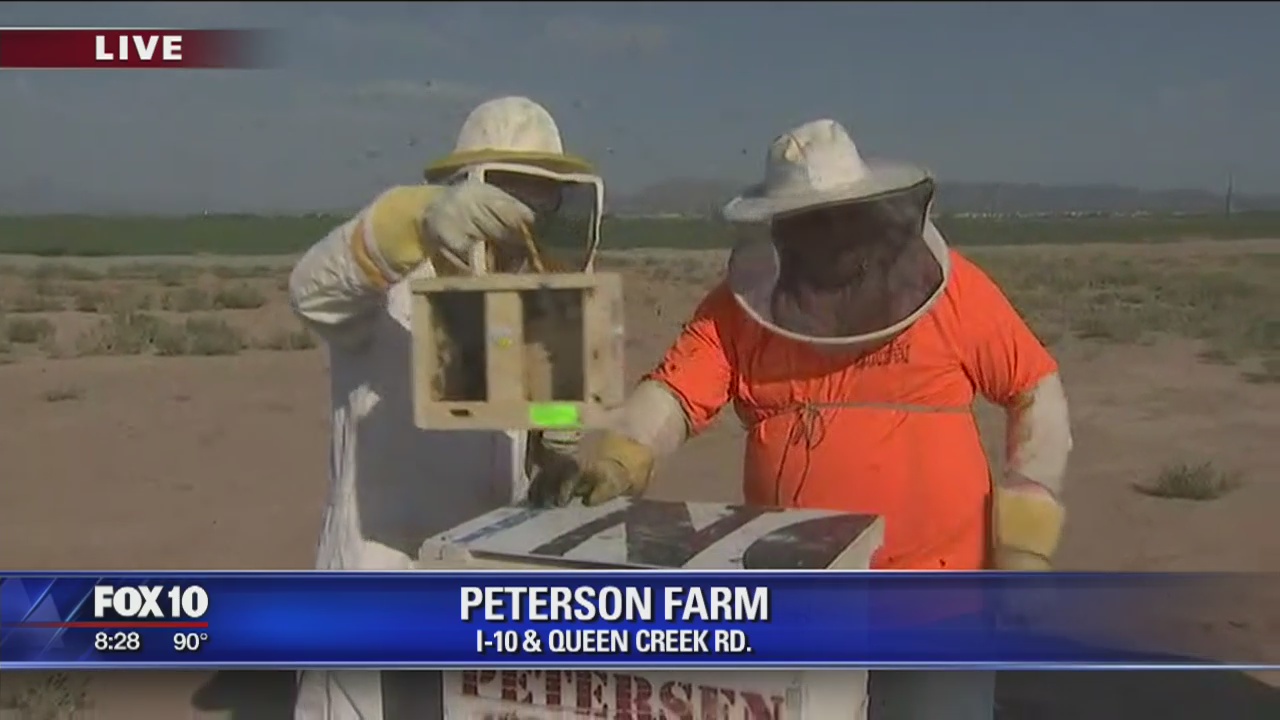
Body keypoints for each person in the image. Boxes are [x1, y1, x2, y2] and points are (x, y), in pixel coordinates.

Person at [530, 119, 1073, 719]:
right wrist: (619, 457)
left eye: (839, 217)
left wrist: (1025, 539)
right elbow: (675, 394)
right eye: (810, 222)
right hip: (801, 599)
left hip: (937, 601)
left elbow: (1035, 391)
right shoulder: (738, 310)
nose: (830, 236)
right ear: (780, 228)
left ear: (872, 213)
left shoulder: (954, 293)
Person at [289, 96, 605, 720]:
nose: (523, 218)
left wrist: (556, 446)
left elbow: (549, 403)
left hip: (479, 597)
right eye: (509, 195)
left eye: (541, 200)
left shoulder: (529, 301)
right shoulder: (388, 291)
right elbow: (311, 289)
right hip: (378, 589)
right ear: (465, 188)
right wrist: (412, 220)